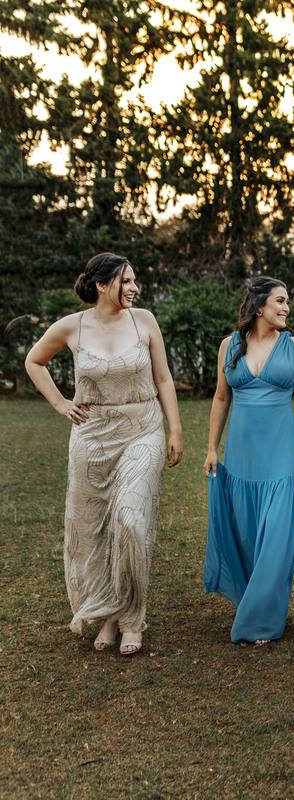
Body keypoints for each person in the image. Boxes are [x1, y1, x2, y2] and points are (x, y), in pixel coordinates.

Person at [24, 253, 183, 656]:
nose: (134, 288)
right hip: (92, 438)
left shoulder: (144, 320)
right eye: (126, 281)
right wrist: (61, 403)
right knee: (95, 531)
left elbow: (163, 376)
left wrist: (175, 429)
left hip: (142, 430)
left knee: (130, 521)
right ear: (100, 285)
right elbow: (34, 361)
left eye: (134, 281)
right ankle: (108, 615)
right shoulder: (71, 327)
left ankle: (131, 618)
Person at [204, 277, 294, 645]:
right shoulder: (229, 345)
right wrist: (211, 448)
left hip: (282, 451)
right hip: (241, 453)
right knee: (249, 532)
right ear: (259, 307)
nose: (286, 308)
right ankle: (253, 601)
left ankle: (262, 621)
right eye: (280, 302)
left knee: (277, 536)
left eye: (287, 302)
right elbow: (222, 399)